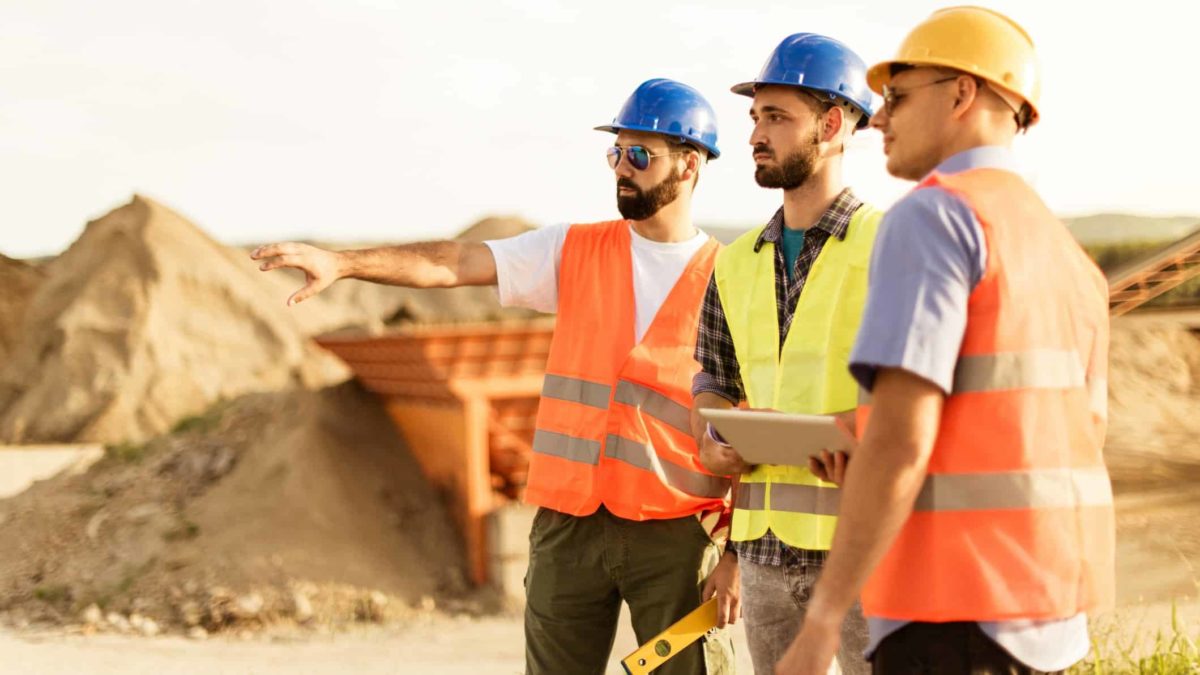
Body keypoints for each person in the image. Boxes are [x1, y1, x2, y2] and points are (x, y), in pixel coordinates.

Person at [252, 78, 735, 675]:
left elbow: (749, 425)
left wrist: (738, 550)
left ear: (689, 165)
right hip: (568, 527)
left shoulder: (733, 278)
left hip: (677, 535)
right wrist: (344, 263)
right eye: (615, 152)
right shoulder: (573, 251)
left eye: (640, 155)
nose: (621, 168)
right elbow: (454, 262)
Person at [775, 7, 1114, 674]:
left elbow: (905, 439)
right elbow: (1059, 432)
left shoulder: (933, 217)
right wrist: (862, 436)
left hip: (951, 615)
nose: (878, 119)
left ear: (963, 92)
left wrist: (820, 623)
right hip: (1048, 621)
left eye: (897, 97)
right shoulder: (1068, 255)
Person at [689, 33, 881, 675]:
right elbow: (714, 379)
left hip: (865, 545)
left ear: (831, 125)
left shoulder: (890, 245)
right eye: (755, 117)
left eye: (776, 117)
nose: (754, 135)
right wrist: (710, 435)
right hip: (765, 551)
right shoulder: (735, 262)